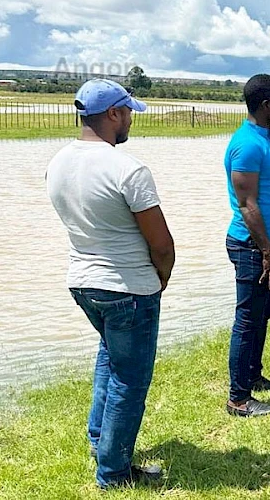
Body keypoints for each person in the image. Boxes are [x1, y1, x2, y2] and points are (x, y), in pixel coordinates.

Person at [46, 79, 174, 488]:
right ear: (114, 114)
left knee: (111, 358)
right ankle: (113, 474)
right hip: (127, 287)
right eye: (129, 112)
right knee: (129, 380)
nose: (132, 120)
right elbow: (161, 244)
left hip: (82, 282)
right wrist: (159, 280)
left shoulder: (59, 161)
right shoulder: (127, 168)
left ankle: (100, 439)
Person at [224, 74, 270, 417]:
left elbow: (266, 197)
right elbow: (247, 204)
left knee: (262, 313)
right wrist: (268, 253)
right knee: (248, 319)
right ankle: (238, 399)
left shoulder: (264, 138)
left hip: (264, 241)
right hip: (250, 245)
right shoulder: (248, 144)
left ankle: (253, 377)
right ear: (267, 105)